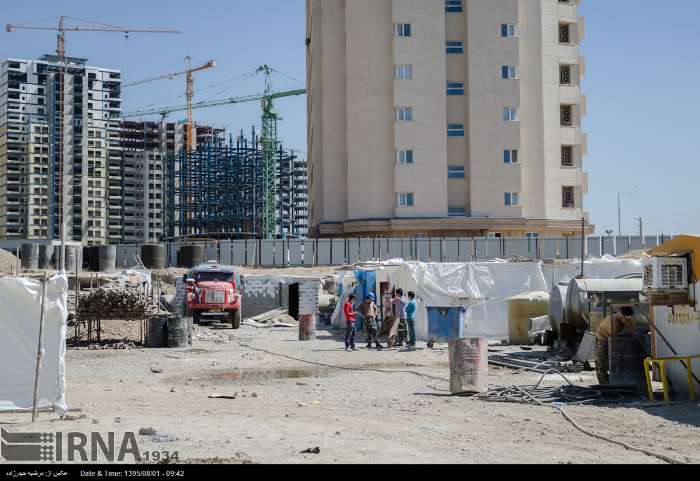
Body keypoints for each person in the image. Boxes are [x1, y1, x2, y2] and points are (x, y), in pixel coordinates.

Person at [595, 306, 636, 385]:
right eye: (626, 319)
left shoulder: (629, 320)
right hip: (603, 339)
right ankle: (604, 384)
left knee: (618, 362)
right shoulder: (613, 321)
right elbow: (614, 340)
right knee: (601, 362)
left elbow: (633, 333)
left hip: (613, 337)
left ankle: (617, 382)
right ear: (621, 316)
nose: (627, 320)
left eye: (629, 318)